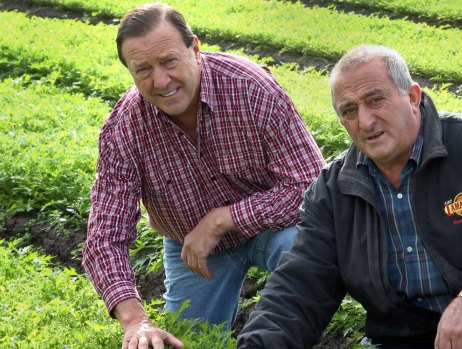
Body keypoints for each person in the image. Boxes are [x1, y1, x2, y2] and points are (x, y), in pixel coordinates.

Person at [236, 45, 462, 349]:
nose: (365, 120)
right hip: (407, 332)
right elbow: (299, 287)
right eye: (349, 110)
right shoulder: (332, 191)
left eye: (375, 99)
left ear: (413, 96)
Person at [81, 2, 325, 348]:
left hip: (275, 229)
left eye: (169, 61)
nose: (161, 81)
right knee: (192, 342)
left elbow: (311, 185)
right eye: (143, 70)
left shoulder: (250, 88)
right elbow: (105, 237)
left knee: (308, 252)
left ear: (194, 48)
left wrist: (223, 219)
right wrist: (136, 320)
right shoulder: (124, 129)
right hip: (193, 251)